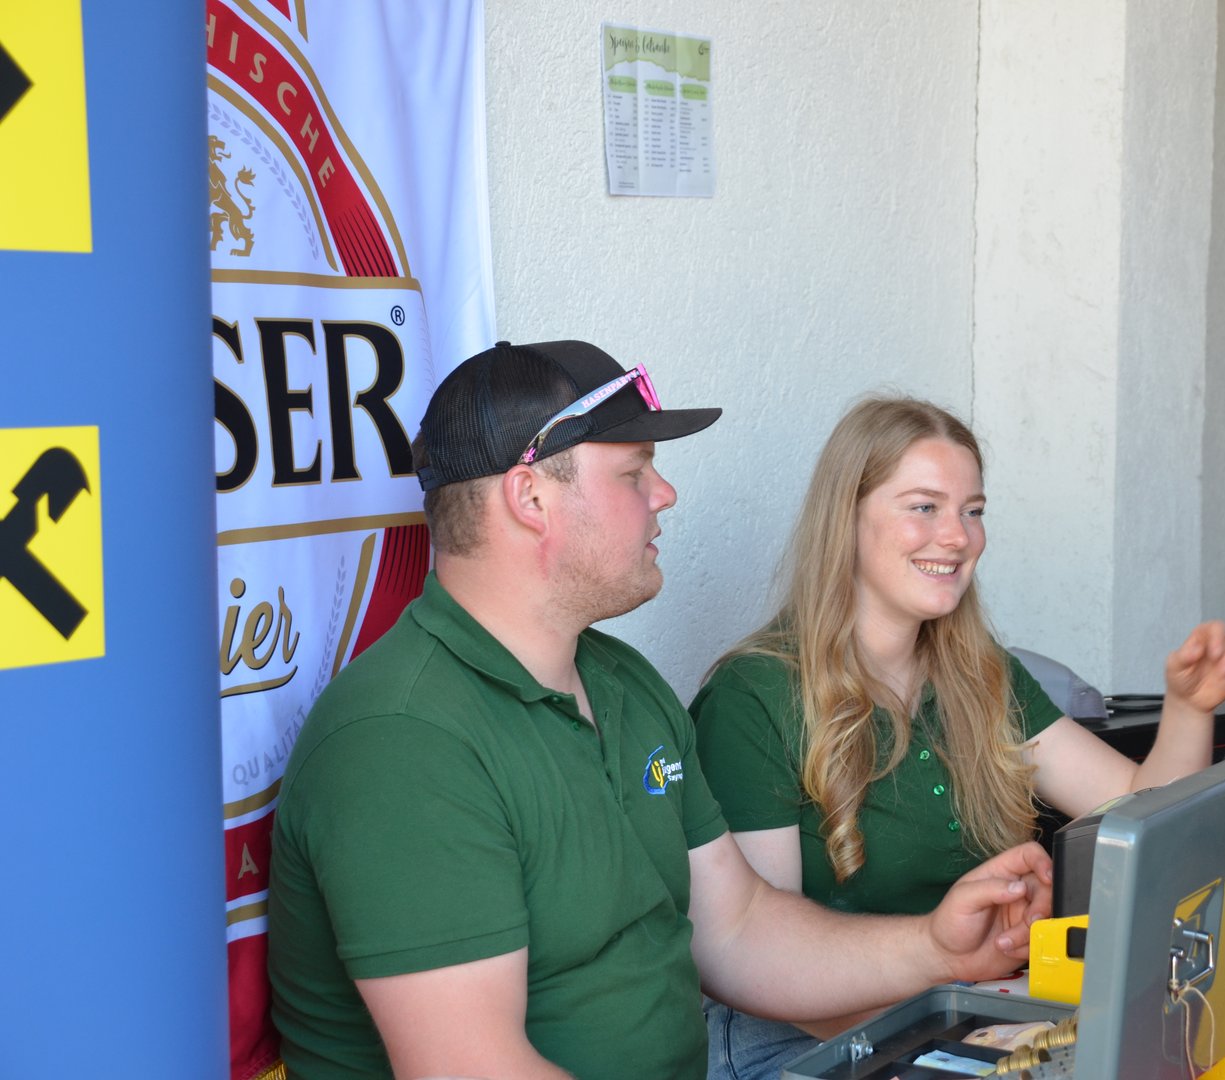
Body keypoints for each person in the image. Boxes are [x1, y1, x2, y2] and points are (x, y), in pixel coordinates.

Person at [266, 342, 1054, 1080]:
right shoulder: (402, 742)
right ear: (531, 496)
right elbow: (474, 1068)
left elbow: (737, 929)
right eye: (633, 471)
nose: (665, 493)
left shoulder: (622, 682)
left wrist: (935, 947)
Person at [691, 396, 1225, 1080]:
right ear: (845, 518)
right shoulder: (753, 696)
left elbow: (1141, 806)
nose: (958, 537)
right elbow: (769, 967)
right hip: (799, 1045)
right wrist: (987, 1024)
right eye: (924, 507)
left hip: (959, 1015)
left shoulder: (979, 673)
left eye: (973, 511)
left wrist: (1189, 709)